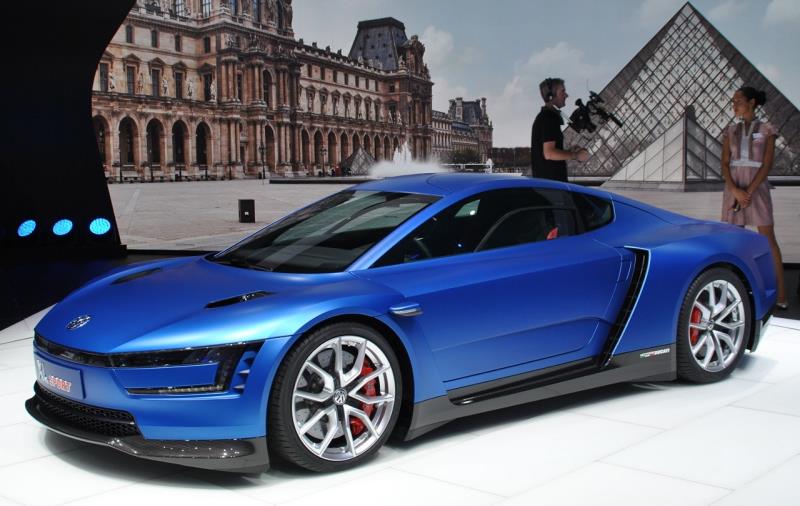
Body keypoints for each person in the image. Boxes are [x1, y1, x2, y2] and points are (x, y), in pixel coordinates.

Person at [721, 86, 787, 309]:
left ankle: (781, 295)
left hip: (756, 187)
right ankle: (735, 295)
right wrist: (736, 191)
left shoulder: (768, 130)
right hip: (734, 187)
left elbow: (767, 165)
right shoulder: (730, 130)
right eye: (733, 101)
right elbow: (724, 164)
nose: (734, 105)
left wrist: (747, 192)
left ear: (751, 103)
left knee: (768, 240)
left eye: (738, 101)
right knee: (734, 241)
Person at [530, 77, 588, 181]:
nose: (566, 95)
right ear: (551, 96)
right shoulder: (549, 118)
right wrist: (575, 155)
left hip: (547, 184)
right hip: (552, 186)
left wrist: (568, 151)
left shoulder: (544, 116)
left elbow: (548, 153)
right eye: (563, 91)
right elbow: (549, 153)